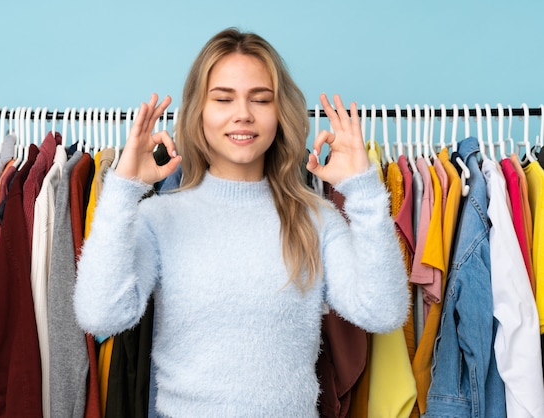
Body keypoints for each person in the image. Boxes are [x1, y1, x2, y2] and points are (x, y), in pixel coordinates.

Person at [74, 28, 409, 417]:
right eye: (223, 98)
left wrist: (365, 192)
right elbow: (100, 315)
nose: (243, 114)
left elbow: (383, 311)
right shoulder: (159, 216)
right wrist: (122, 190)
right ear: (199, 111)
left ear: (280, 112)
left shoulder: (315, 219)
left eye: (261, 99)